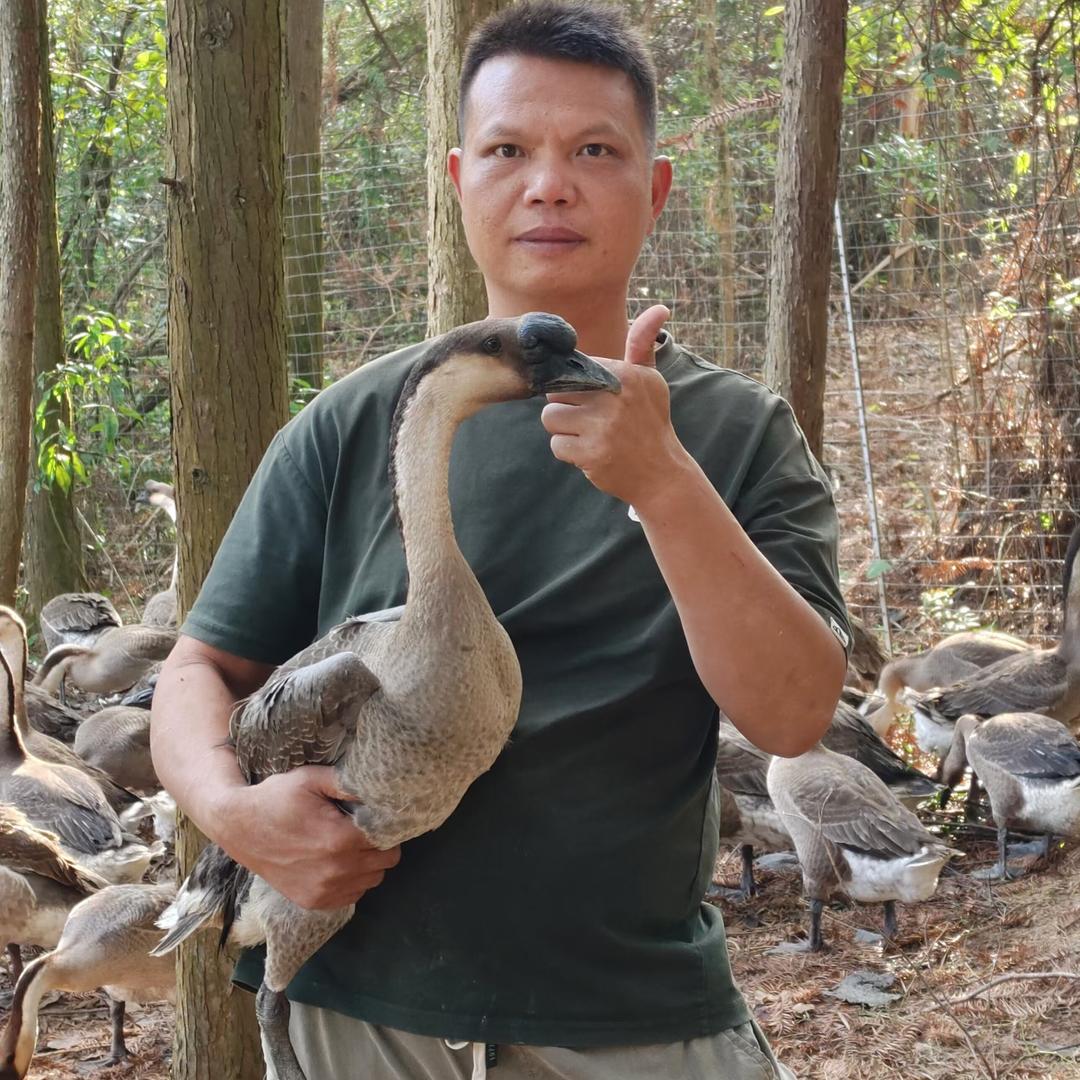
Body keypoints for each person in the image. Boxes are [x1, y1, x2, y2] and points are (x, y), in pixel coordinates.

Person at [150, 3, 849, 1077]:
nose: (550, 183)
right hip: (360, 1012)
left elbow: (793, 714)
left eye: (595, 151)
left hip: (633, 1022)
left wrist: (665, 485)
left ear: (654, 189)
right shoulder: (350, 426)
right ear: (458, 176)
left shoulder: (737, 435)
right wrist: (230, 811)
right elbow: (203, 665)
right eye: (510, 150)